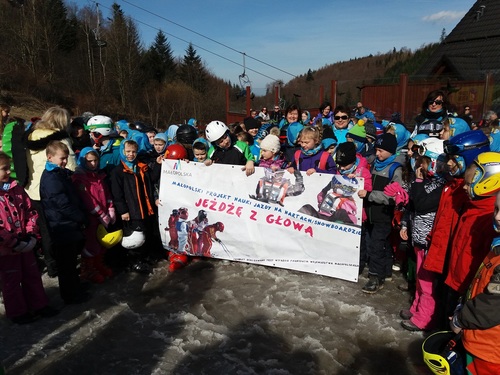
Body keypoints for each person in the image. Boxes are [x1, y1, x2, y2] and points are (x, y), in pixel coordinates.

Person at [0, 152, 59, 324]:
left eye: (8, 168)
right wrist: (13, 242)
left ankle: (39, 304)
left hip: (25, 243)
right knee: (11, 281)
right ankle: (17, 312)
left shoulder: (16, 189)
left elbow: (30, 212)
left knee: (32, 275)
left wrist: (31, 233)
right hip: (6, 250)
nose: (8, 172)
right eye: (4, 169)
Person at [450, 186, 500, 374]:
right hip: (478, 337)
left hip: (488, 349)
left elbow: (493, 304)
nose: (497, 217)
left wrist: (461, 319)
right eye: (496, 209)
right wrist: (462, 307)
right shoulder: (497, 248)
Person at [398, 138, 447, 331]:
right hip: (418, 237)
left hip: (428, 241)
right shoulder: (425, 181)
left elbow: (421, 203)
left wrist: (417, 181)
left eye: (423, 161)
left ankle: (425, 318)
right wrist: (404, 224)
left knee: (427, 282)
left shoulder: (440, 185)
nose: (418, 164)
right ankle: (417, 308)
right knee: (420, 278)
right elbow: (411, 204)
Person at [40, 141, 91, 304]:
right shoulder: (51, 179)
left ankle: (75, 287)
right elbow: (63, 205)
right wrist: (81, 217)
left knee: (70, 260)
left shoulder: (59, 173)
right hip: (61, 226)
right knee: (66, 264)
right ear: (50, 157)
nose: (64, 161)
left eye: (66, 158)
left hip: (68, 225)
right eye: (62, 158)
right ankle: (69, 295)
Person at [358, 133, 404, 293]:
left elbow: (393, 196)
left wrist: (370, 195)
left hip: (383, 215)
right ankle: (385, 271)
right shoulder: (374, 164)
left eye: (381, 151)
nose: (377, 154)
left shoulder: (394, 169)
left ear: (391, 151)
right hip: (370, 213)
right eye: (376, 149)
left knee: (377, 245)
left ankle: (375, 277)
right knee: (378, 243)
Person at [110, 140, 161, 274]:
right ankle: (134, 261)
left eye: (133, 152)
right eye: (128, 151)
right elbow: (117, 193)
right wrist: (123, 210)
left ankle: (144, 258)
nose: (131, 154)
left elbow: (153, 178)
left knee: (146, 234)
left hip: (145, 207)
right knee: (135, 237)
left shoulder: (141, 167)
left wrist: (158, 165)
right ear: (122, 151)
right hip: (132, 210)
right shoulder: (118, 171)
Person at [72, 147, 116, 283]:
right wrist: (100, 214)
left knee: (101, 241)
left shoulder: (98, 175)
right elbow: (88, 199)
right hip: (91, 217)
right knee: (91, 244)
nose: (93, 164)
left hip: (103, 215)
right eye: (90, 161)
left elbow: (106, 192)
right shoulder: (80, 178)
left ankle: (98, 264)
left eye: (95, 160)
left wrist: (110, 208)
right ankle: (88, 269)